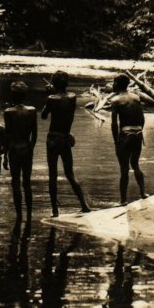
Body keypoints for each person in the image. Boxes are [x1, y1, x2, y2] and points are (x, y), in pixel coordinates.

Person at [41, 71, 90, 217]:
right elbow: (65, 105)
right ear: (66, 83)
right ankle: (84, 205)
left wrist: (49, 95)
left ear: (54, 83)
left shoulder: (51, 98)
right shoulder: (73, 97)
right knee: (70, 173)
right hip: (65, 138)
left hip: (53, 139)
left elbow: (44, 116)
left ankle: (55, 211)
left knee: (52, 174)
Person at [110, 73, 147, 205]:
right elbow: (142, 119)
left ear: (118, 84)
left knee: (124, 169)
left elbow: (114, 124)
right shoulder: (136, 98)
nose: (112, 85)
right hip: (137, 133)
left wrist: (116, 141)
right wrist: (139, 132)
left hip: (125, 135)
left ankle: (123, 200)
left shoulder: (115, 100)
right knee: (135, 164)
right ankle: (143, 193)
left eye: (114, 82)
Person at [3, 81, 37, 220]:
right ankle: (29, 214)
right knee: (27, 182)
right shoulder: (32, 110)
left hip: (14, 149)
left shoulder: (8, 112)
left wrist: (5, 155)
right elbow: (34, 134)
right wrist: (31, 148)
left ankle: (19, 215)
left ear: (13, 96)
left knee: (15, 182)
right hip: (27, 148)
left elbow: (7, 135)